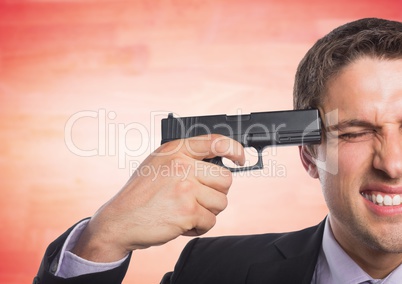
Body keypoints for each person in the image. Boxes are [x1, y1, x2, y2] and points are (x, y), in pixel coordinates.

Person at [34, 17, 402, 284]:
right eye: (355, 132)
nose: (392, 163)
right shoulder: (210, 269)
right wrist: (101, 241)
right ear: (308, 153)